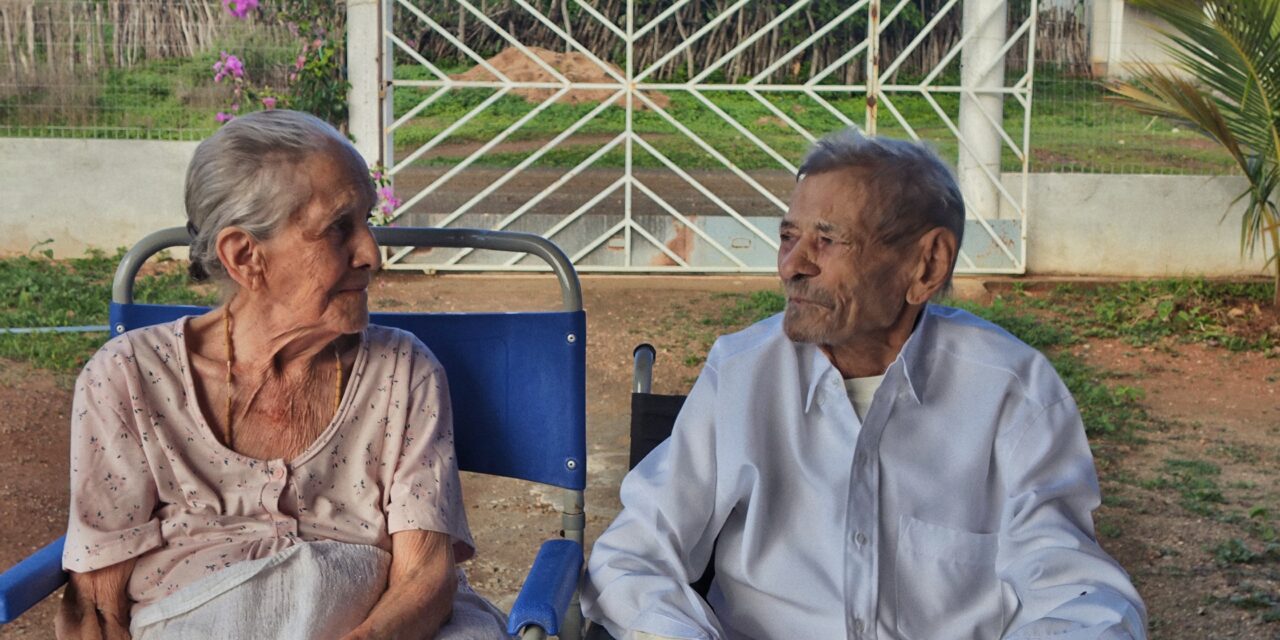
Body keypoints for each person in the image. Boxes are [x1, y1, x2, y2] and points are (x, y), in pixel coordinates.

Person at [582, 131, 1147, 640]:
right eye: (788, 236)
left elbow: (1075, 590)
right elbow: (635, 556)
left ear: (926, 264)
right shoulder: (742, 374)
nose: (792, 265)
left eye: (827, 240)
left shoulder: (1012, 392)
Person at [57, 109, 508, 640]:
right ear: (245, 255)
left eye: (366, 221)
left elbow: (424, 575)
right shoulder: (128, 378)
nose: (371, 254)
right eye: (339, 227)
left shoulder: (403, 371)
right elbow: (99, 607)